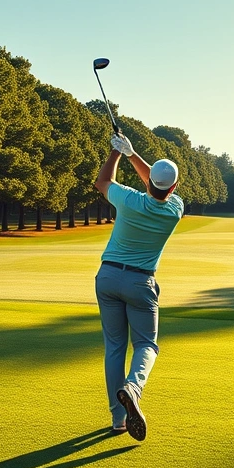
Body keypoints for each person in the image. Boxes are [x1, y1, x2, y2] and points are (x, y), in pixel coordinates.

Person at [93, 133, 183, 441]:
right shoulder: (174, 209)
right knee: (146, 345)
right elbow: (156, 185)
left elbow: (103, 182)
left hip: (107, 277)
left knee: (114, 348)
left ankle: (118, 420)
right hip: (140, 282)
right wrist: (133, 156)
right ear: (174, 187)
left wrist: (117, 153)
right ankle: (133, 387)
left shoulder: (129, 199)